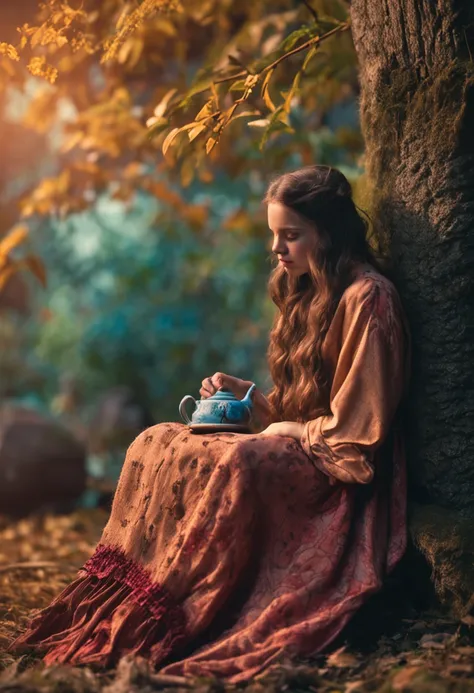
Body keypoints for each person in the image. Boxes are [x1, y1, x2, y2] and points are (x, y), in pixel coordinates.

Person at [9, 165, 411, 683]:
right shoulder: (307, 290)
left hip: (342, 476)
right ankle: (139, 599)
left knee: (239, 458)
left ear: (328, 233)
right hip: (307, 444)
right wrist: (249, 399)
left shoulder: (369, 298)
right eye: (274, 235)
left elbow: (356, 439)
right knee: (158, 441)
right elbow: (291, 412)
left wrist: (285, 432)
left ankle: (189, 611)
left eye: (291, 236)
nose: (278, 249)